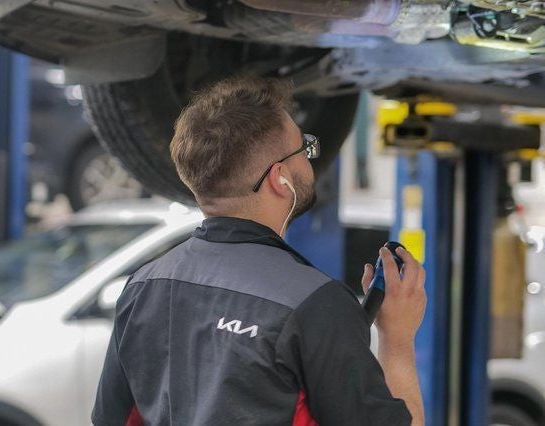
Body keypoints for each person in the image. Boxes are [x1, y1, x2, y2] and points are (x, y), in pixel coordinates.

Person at [91, 76, 426, 425]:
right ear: (279, 179)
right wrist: (397, 338)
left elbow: (110, 420)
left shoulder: (143, 287)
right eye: (303, 149)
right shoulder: (315, 303)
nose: (309, 158)